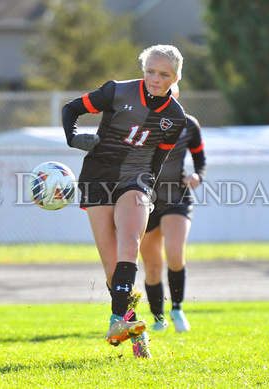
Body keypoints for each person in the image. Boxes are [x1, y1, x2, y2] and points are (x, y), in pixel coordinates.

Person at [62, 45, 187, 358]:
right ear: (143, 69)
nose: (156, 79)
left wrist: (147, 193)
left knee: (129, 246)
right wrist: (73, 137)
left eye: (164, 75)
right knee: (112, 269)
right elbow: (70, 109)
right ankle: (132, 326)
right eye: (150, 72)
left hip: (136, 179)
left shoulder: (175, 117)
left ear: (175, 77)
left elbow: (157, 160)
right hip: (97, 178)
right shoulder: (116, 91)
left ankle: (117, 320)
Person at [139, 84, 206, 333]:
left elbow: (200, 158)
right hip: (144, 199)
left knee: (175, 253)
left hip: (177, 197)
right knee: (152, 265)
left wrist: (198, 175)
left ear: (175, 93)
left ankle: (177, 308)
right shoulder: (140, 121)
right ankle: (158, 318)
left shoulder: (189, 125)